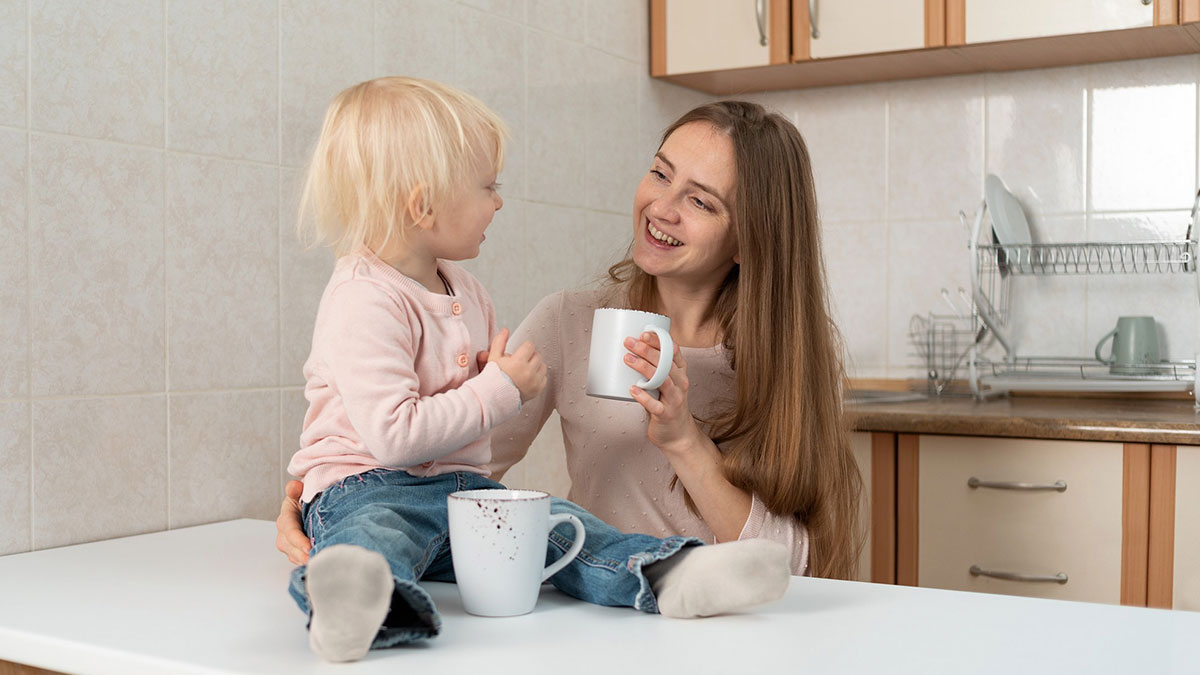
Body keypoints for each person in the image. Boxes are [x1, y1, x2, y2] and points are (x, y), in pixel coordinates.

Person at [286, 77, 790, 663]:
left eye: (701, 201)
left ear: (746, 238)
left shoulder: (464, 290)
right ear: (424, 205)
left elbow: (800, 560)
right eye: (660, 173)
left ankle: (673, 573)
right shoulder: (374, 297)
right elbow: (402, 436)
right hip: (383, 489)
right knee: (372, 537)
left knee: (563, 524)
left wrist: (683, 439)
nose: (498, 201)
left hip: (456, 492)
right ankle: (353, 605)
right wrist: (316, 496)